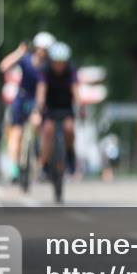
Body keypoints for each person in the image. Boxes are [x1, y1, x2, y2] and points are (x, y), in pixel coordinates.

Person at [0, 32, 54, 183]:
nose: (43, 53)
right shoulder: (26, 59)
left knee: (42, 129)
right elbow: (4, 67)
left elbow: (43, 89)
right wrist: (19, 52)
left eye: (47, 50)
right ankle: (15, 168)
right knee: (16, 133)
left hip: (40, 100)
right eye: (42, 49)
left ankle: (42, 163)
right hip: (22, 98)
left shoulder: (49, 67)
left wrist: (39, 107)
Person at [32, 42, 80, 178]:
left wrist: (81, 106)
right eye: (57, 62)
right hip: (50, 106)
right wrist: (39, 106)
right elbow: (41, 89)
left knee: (69, 129)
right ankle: (45, 165)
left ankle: (70, 153)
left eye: (62, 62)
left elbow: (75, 90)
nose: (59, 65)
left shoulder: (71, 70)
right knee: (47, 131)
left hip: (65, 106)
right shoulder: (45, 69)